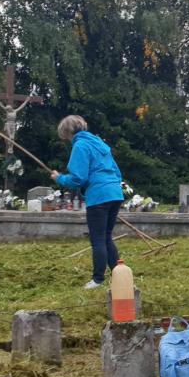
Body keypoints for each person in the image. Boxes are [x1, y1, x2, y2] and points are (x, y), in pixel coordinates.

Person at [51, 115, 124, 289]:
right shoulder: (100, 144)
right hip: (115, 193)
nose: (67, 140)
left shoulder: (80, 145)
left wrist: (59, 178)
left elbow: (78, 179)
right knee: (106, 237)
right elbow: (117, 172)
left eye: (66, 137)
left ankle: (98, 279)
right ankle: (119, 275)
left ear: (68, 133)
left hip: (99, 196)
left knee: (98, 239)